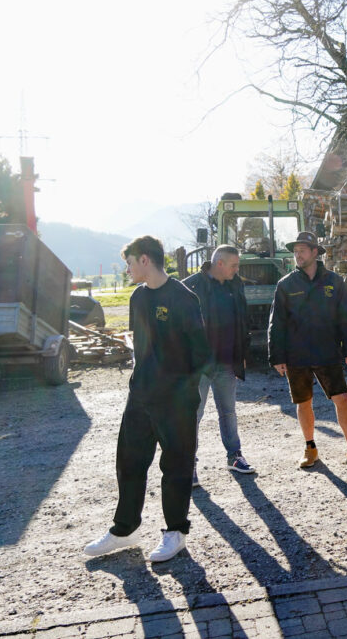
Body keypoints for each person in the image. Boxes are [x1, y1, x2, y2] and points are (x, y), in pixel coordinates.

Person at [83, 235, 210, 563]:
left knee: (176, 465)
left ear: (144, 260)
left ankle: (175, 533)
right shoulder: (138, 298)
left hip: (176, 400)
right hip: (141, 395)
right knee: (129, 461)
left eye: (129, 262)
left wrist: (182, 393)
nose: (126, 269)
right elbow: (141, 348)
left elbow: (201, 354)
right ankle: (124, 529)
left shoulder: (184, 298)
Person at [267, 231, 347, 469]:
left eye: (302, 251)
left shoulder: (334, 282)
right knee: (303, 402)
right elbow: (277, 324)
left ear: (315, 252)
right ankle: (310, 448)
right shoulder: (285, 285)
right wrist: (276, 356)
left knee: (342, 399)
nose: (297, 255)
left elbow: (346, 318)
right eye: (295, 251)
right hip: (297, 355)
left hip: (327, 352)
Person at [183, 245, 255, 484]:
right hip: (198, 366)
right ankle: (187, 466)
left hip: (227, 362)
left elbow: (243, 319)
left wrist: (242, 352)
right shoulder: (190, 286)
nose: (238, 270)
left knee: (229, 411)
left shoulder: (236, 285)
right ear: (220, 263)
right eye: (234, 265)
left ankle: (234, 457)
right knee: (193, 415)